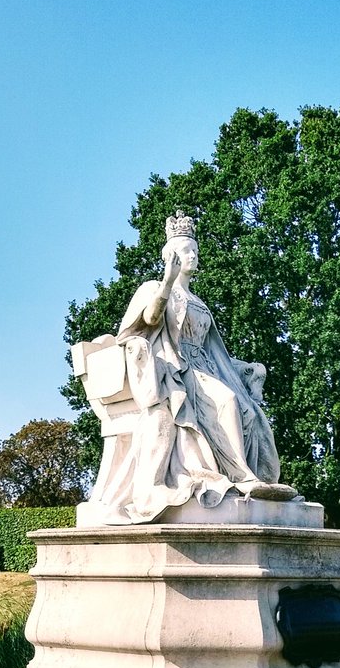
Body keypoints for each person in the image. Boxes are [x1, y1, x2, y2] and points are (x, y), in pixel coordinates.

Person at [94, 211, 295, 523]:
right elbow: (149, 320)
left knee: (250, 412)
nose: (194, 256)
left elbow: (217, 352)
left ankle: (256, 478)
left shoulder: (199, 300)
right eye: (188, 251)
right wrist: (167, 280)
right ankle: (241, 475)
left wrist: (249, 369)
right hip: (177, 368)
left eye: (195, 251)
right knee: (226, 401)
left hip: (207, 367)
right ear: (172, 256)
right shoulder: (155, 287)